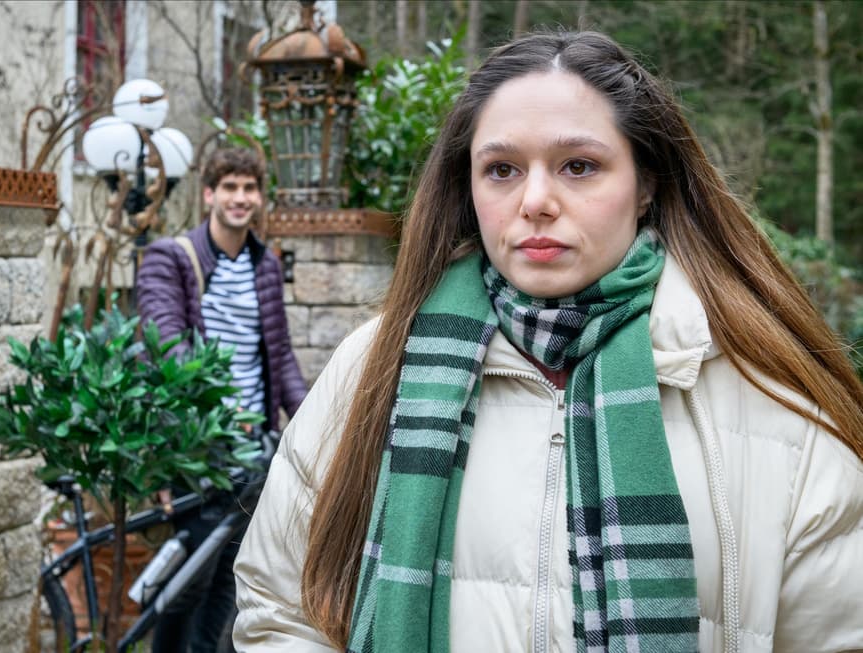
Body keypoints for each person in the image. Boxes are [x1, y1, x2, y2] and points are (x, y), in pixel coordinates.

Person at [232, 31, 863, 653]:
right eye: (501, 169)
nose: (535, 200)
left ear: (646, 185)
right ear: (467, 185)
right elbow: (278, 613)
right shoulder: (372, 368)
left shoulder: (772, 401)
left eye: (579, 166)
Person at [137, 146, 307, 653]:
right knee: (186, 587)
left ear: (258, 197)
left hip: (253, 453)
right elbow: (168, 352)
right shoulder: (174, 259)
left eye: (249, 188)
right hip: (199, 449)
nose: (240, 198)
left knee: (233, 587)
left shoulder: (266, 265)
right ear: (208, 194)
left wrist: (316, 422)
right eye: (229, 187)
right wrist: (203, 425)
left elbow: (280, 356)